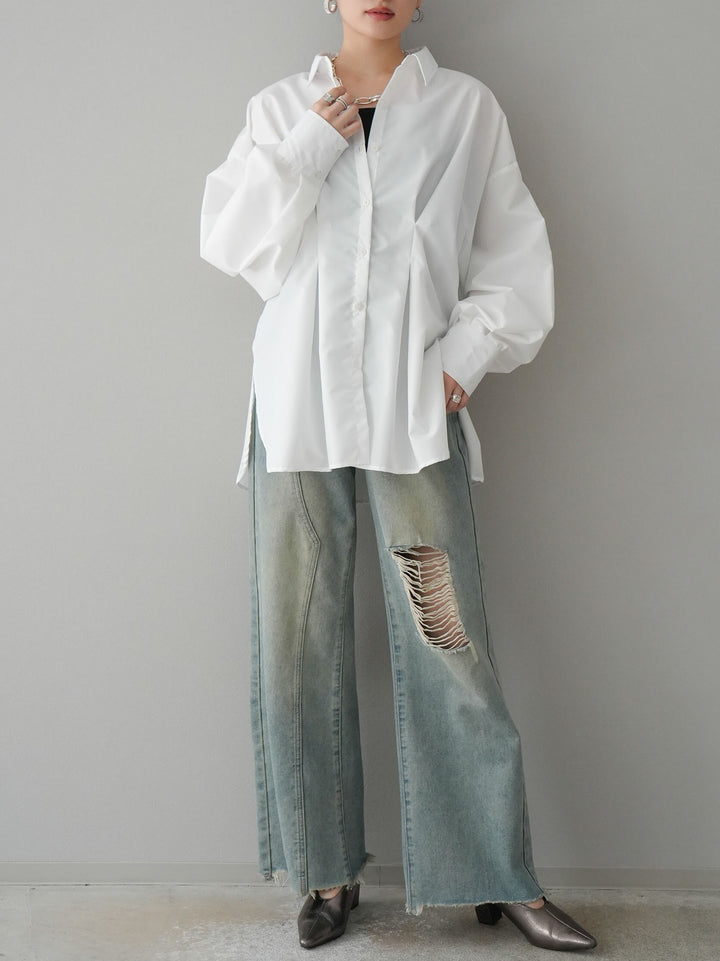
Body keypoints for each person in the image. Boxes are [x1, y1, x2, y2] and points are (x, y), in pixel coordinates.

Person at [200, 0, 597, 952]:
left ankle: (494, 871)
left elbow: (514, 259)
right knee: (297, 645)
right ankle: (325, 872)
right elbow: (232, 245)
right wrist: (306, 147)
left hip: (413, 416)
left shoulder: (464, 109)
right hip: (296, 413)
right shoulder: (279, 110)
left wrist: (463, 358)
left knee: (446, 637)